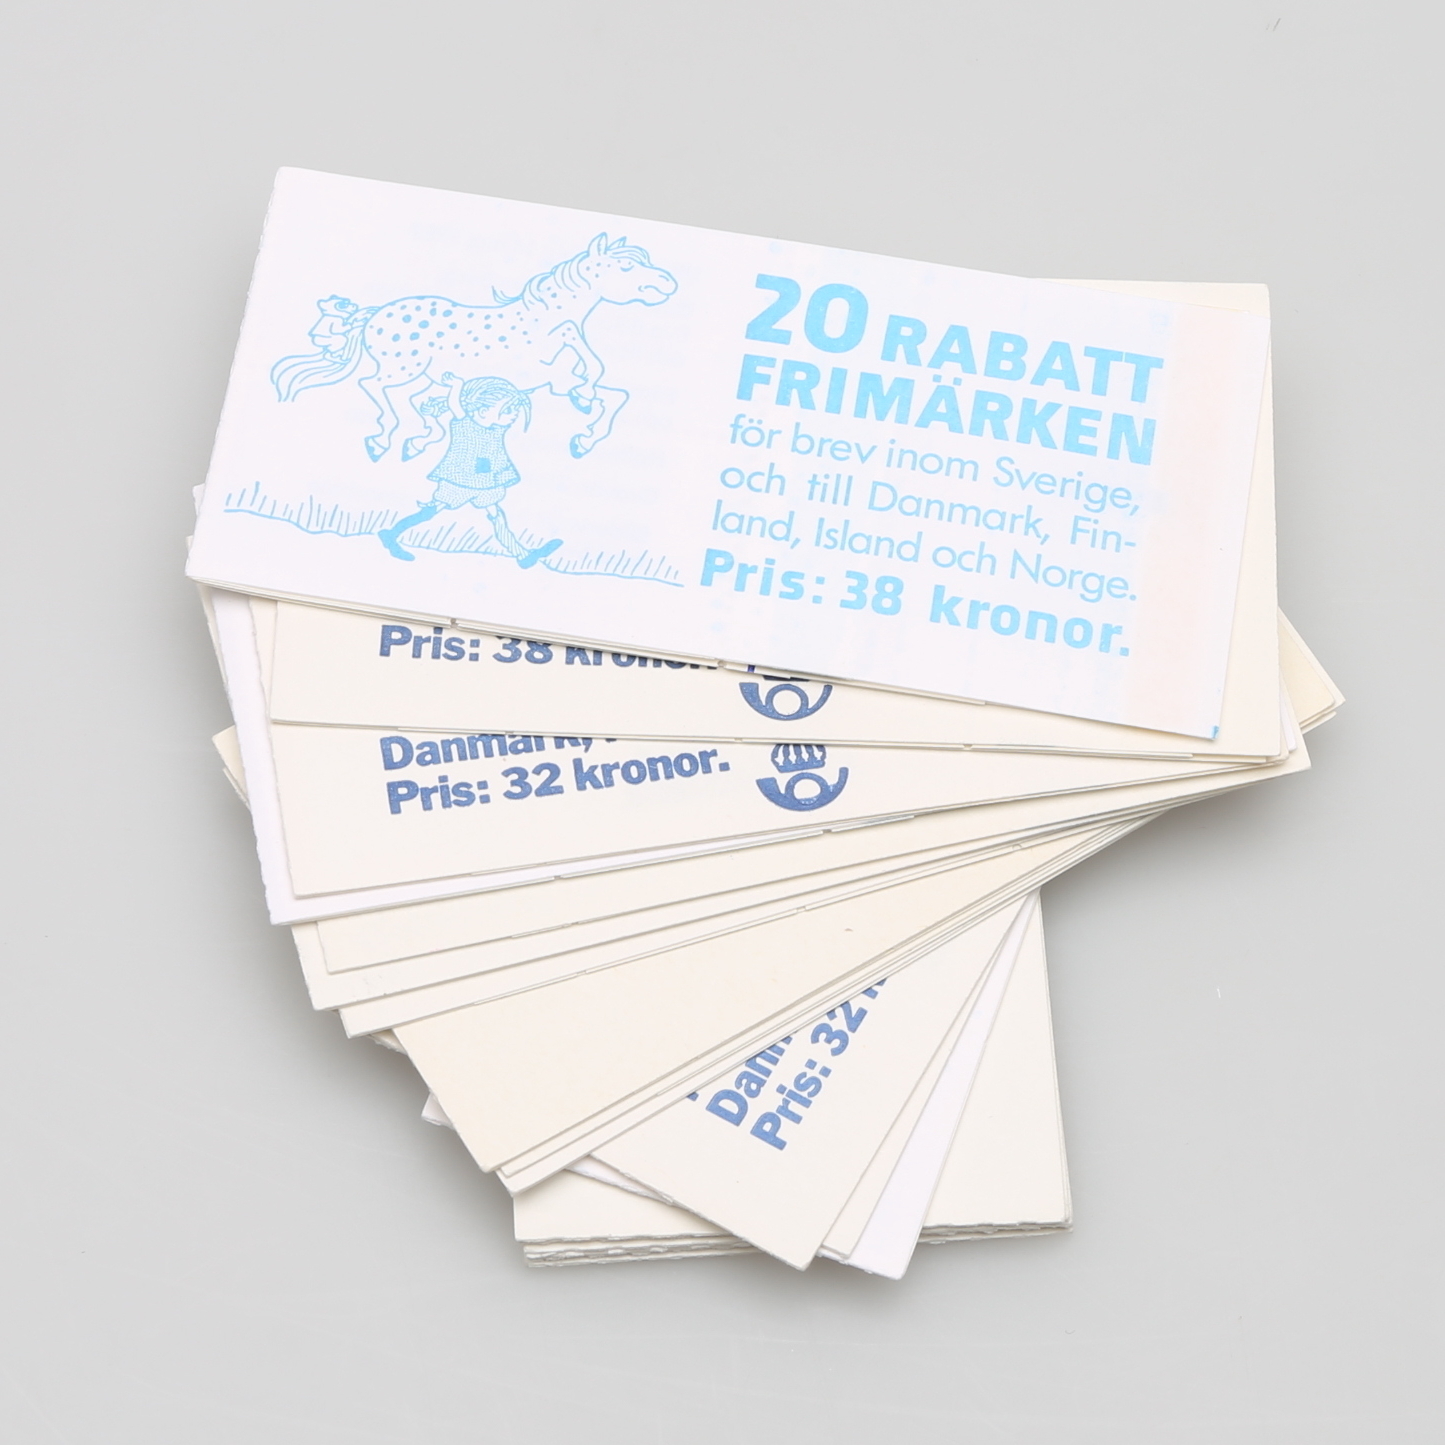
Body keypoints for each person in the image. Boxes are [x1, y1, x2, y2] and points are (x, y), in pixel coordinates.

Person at [378, 374, 562, 566]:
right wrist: (457, 386)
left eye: (515, 409)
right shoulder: (465, 424)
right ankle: (391, 535)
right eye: (508, 410)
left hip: (487, 482)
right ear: (482, 411)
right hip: (459, 481)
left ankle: (521, 554)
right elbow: (456, 405)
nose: (514, 414)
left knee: (497, 516)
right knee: (431, 511)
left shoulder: (497, 429)